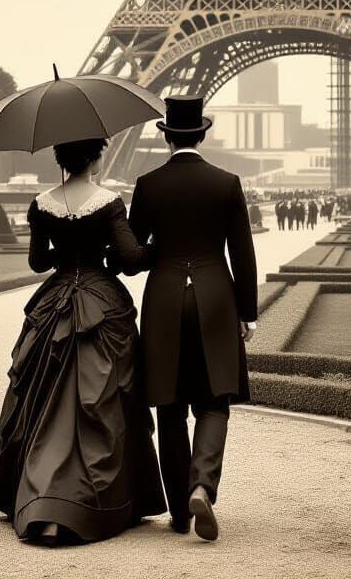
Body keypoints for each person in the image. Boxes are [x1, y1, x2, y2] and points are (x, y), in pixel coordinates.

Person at [0, 136, 165, 544]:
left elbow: (37, 262)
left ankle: (36, 495)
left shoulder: (41, 202)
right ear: (93, 156)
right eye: (100, 151)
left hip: (57, 299)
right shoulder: (108, 201)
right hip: (100, 301)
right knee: (103, 402)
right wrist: (160, 246)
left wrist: (66, 251)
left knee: (40, 397)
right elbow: (132, 259)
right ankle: (96, 499)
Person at [126, 95, 258, 542]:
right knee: (214, 399)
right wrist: (248, 312)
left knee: (169, 404)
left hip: (164, 297)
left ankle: (181, 515)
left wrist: (152, 254)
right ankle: (203, 483)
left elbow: (133, 255)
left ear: (165, 137)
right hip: (216, 295)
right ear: (202, 134)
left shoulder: (148, 185)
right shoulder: (226, 182)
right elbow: (243, 254)